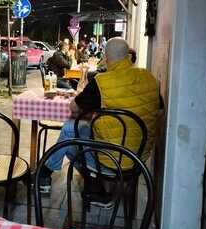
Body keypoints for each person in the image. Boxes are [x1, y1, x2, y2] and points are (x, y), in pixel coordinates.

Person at [40, 38, 160, 202]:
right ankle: (91, 185)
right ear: (128, 56)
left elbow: (74, 108)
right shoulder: (149, 77)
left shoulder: (102, 82)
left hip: (110, 159)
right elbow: (159, 110)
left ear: (106, 57)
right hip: (139, 158)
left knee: (69, 132)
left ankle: (92, 186)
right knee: (80, 132)